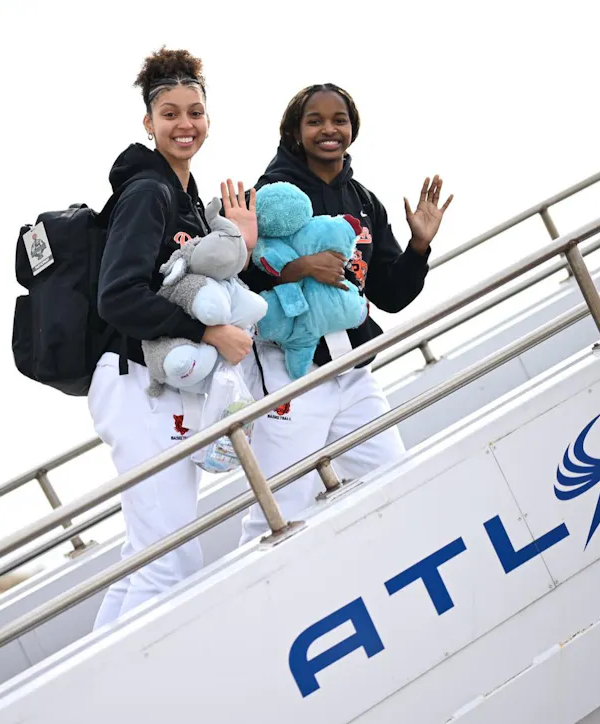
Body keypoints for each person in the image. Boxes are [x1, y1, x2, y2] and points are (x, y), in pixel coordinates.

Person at [238, 83, 454, 544]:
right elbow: (239, 278)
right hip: (288, 368)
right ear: (295, 132)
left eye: (339, 119)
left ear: (353, 128)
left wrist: (419, 247)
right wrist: (296, 269)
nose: (329, 129)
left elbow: (391, 293)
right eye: (314, 120)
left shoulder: (364, 201)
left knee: (396, 482)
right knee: (279, 513)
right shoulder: (269, 195)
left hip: (353, 369)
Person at [91, 47, 256, 629]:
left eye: (194, 112)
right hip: (133, 380)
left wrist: (244, 242)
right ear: (148, 122)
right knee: (169, 562)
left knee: (146, 559)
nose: (184, 125)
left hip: (154, 382)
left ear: (208, 117)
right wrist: (205, 329)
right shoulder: (147, 192)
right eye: (170, 114)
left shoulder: (182, 193)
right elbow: (118, 296)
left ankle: (92, 693)